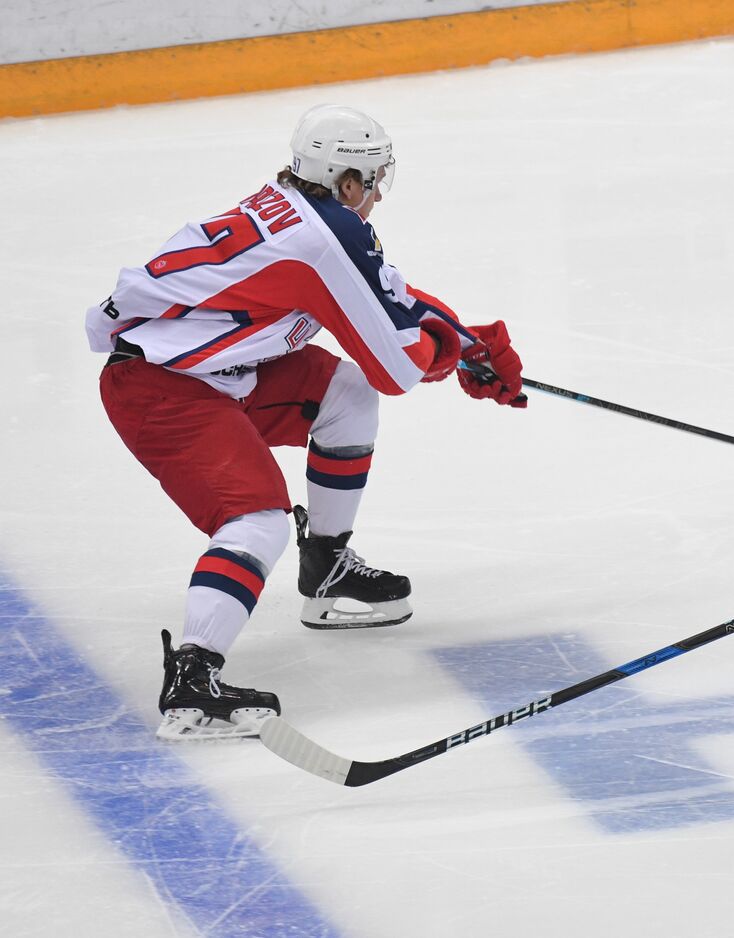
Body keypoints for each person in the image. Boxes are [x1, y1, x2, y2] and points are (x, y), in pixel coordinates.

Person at [87, 104, 528, 740]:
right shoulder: (325, 239)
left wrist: (468, 340)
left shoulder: (298, 206)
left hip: (219, 372)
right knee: (256, 519)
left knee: (343, 394)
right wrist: (450, 357)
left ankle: (327, 566)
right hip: (162, 391)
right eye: (374, 179)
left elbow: (389, 294)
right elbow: (397, 369)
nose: (378, 194)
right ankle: (192, 681)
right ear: (348, 181)